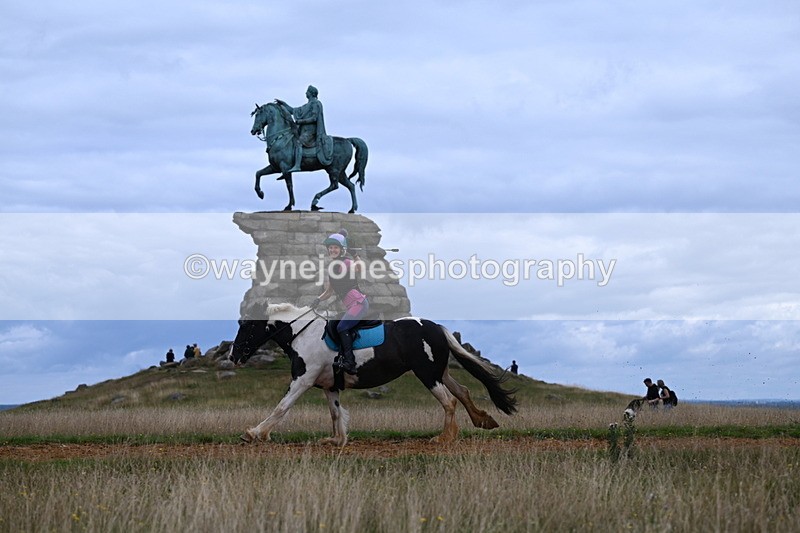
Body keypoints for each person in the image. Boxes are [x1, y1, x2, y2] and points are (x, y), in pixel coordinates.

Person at [311, 230, 368, 375]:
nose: (332, 250)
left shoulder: (346, 262)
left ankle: (350, 362)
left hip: (359, 303)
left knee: (342, 327)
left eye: (335, 247)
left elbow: (360, 269)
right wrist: (317, 300)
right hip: (351, 306)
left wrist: (355, 255)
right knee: (335, 324)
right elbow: (329, 292)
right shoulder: (333, 267)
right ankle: (341, 356)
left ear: (342, 249)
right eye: (330, 247)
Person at [275, 85, 333, 171]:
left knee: (299, 142)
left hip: (311, 132)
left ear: (311, 93)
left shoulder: (316, 103)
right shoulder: (306, 106)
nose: (306, 93)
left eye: (307, 92)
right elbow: (293, 110)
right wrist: (283, 104)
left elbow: (314, 118)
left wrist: (301, 121)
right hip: (303, 131)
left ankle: (297, 165)